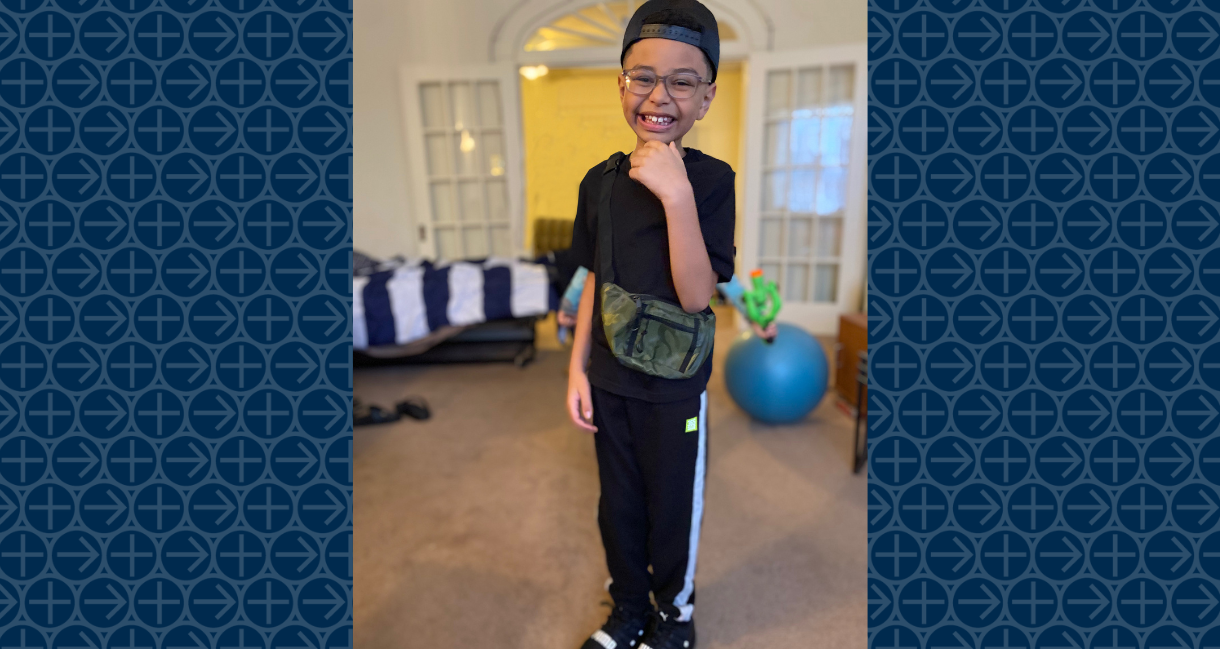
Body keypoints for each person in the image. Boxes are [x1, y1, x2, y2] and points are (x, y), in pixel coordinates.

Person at [564, 2, 735, 648]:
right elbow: (594, 280)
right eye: (643, 77)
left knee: (671, 505)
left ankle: (675, 615)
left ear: (706, 97)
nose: (659, 95)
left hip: (675, 387)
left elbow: (695, 295)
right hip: (610, 377)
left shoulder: (711, 182)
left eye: (682, 81)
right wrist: (576, 369)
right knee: (618, 504)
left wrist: (675, 192)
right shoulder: (599, 183)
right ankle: (629, 608)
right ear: (621, 85)